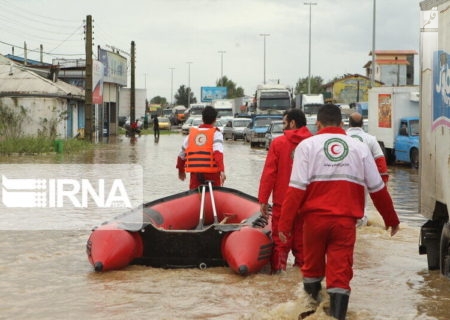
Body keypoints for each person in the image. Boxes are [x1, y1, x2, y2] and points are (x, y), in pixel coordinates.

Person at [278, 104, 400, 320]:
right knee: (340, 272)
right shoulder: (360, 148)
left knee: (311, 267)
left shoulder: (307, 146)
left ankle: (310, 311)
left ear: (318, 123)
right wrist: (391, 219)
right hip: (345, 223)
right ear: (341, 123)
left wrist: (284, 225)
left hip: (313, 222)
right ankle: (337, 316)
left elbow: (295, 189)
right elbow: (377, 188)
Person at [257, 108, 312, 274]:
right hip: (307, 205)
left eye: (284, 123)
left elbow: (269, 174)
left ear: (292, 123)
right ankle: (301, 282)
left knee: (280, 246)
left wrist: (263, 200)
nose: (283, 126)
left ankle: (278, 280)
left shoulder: (278, 144)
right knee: (303, 248)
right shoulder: (314, 143)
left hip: (283, 203)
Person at [346, 112, 389, 226]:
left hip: (343, 177)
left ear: (348, 123)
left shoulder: (342, 137)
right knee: (361, 206)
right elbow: (380, 161)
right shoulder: (371, 139)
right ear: (362, 124)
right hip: (363, 179)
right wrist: (382, 183)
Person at [176, 106, 226, 190]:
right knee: (215, 197)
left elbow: (181, 154)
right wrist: (222, 170)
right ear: (215, 120)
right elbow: (218, 153)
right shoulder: (217, 134)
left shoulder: (191, 135)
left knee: (194, 196)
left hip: (196, 174)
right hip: (212, 174)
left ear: (202, 118)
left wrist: (181, 170)